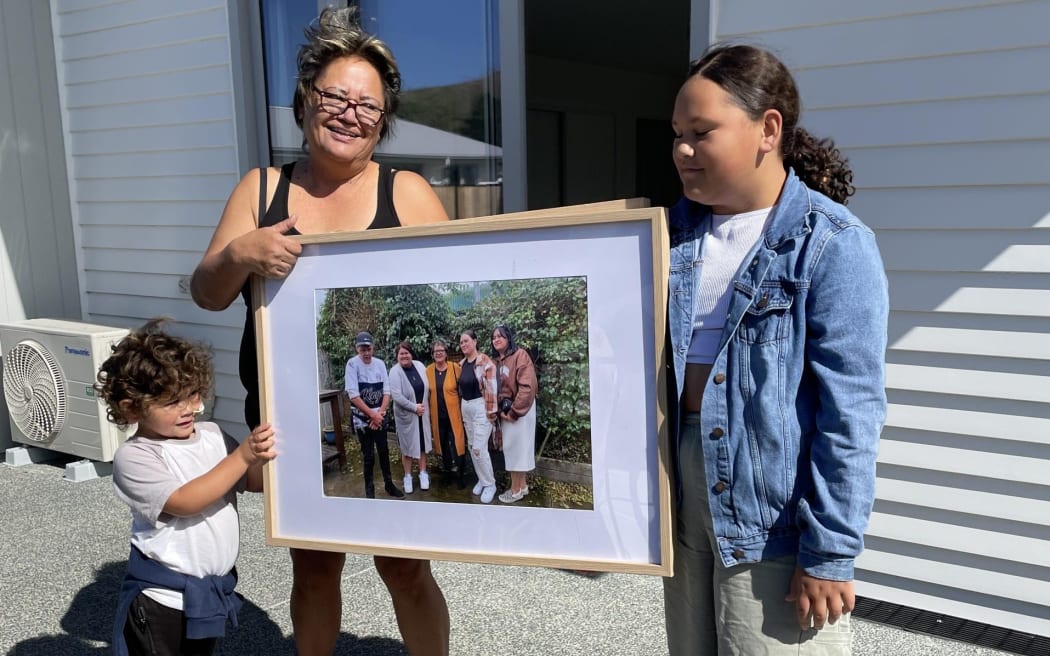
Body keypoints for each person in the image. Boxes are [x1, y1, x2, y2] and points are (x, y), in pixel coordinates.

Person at [188, 7, 451, 655]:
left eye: (368, 105)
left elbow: (451, 296)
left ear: (383, 121)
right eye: (336, 96)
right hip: (288, 424)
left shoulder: (409, 192)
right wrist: (239, 256)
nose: (349, 113)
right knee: (313, 567)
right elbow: (207, 291)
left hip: (388, 414)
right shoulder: (261, 190)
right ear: (306, 99)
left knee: (405, 568)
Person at [663, 44, 888, 655]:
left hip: (773, 522)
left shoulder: (833, 243)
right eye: (677, 134)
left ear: (768, 129)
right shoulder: (668, 236)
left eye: (701, 132)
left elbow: (852, 413)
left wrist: (831, 552)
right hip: (683, 506)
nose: (683, 150)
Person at [96, 319, 276, 656]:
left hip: (206, 594)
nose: (190, 408)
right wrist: (243, 454)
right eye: (171, 402)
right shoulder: (134, 457)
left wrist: (277, 464)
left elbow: (250, 481)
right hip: (161, 600)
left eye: (192, 394)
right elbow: (185, 501)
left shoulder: (212, 435)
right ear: (132, 407)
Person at [346, 331, 403, 499]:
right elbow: (353, 395)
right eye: (362, 349)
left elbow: (386, 392)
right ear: (357, 349)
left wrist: (380, 414)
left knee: (384, 452)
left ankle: (389, 485)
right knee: (368, 456)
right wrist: (372, 416)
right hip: (362, 420)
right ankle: (369, 491)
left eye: (368, 348)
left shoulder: (380, 364)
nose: (366, 353)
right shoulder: (352, 365)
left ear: (373, 347)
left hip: (379, 416)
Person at [491, 325, 538, 504]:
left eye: (500, 336)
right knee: (516, 449)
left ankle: (515, 490)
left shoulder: (520, 355)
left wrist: (514, 412)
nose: (496, 339)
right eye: (493, 337)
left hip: (520, 410)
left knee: (516, 450)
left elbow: (527, 387)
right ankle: (523, 486)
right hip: (506, 411)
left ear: (508, 338)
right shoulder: (496, 361)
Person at [457, 329, 499, 504]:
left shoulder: (485, 362)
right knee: (472, 446)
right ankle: (482, 480)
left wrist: (491, 414)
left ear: (475, 341)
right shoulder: (461, 364)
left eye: (467, 341)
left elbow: (491, 390)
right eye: (461, 342)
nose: (464, 344)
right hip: (466, 406)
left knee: (479, 448)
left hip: (481, 406)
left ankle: (490, 484)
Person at [388, 341, 432, 493]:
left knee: (422, 445)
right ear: (397, 356)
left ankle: (423, 473)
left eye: (407, 352)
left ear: (411, 354)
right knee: (407, 448)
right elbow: (397, 396)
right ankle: (407, 477)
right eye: (401, 353)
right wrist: (414, 407)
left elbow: (429, 383)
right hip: (407, 417)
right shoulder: (395, 372)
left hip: (423, 415)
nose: (404, 356)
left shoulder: (420, 366)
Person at [425, 339, 469, 489]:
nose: (438, 354)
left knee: (458, 445)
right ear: (432, 355)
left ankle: (461, 476)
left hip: (454, 416)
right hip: (438, 417)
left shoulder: (455, 368)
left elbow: (464, 389)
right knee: (443, 447)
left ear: (446, 354)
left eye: (441, 351)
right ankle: (448, 475)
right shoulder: (428, 371)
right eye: (435, 352)